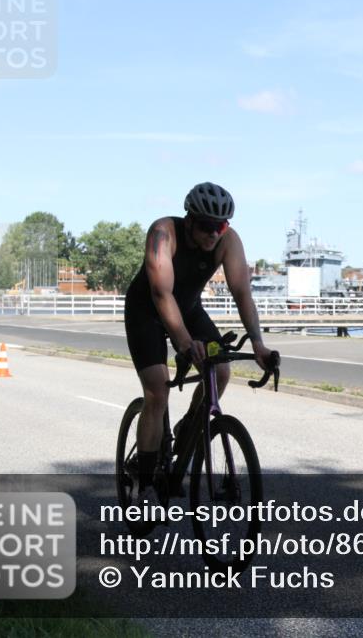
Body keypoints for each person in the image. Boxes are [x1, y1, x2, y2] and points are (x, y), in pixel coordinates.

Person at [123, 182, 274, 506]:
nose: (213, 234)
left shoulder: (228, 241)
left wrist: (258, 343)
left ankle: (188, 428)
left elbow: (242, 293)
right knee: (157, 390)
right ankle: (146, 484)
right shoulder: (163, 233)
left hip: (189, 310)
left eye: (220, 226)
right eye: (206, 226)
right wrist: (184, 342)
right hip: (146, 311)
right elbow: (161, 293)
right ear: (189, 219)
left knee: (220, 371)